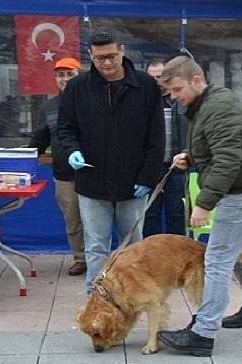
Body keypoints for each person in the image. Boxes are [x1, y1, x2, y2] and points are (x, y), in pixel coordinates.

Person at [157, 56, 242, 357]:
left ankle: (202, 333)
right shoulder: (206, 105)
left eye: (176, 89)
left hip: (241, 195)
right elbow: (220, 149)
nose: (173, 97)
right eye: (169, 92)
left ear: (197, 80)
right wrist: (191, 158)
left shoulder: (218, 107)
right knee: (237, 256)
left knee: (217, 261)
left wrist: (204, 204)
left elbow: (228, 160)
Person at [56, 29, 164, 294]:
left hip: (133, 182)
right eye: (99, 58)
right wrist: (72, 150)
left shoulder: (145, 86)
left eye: (111, 56)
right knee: (96, 247)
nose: (106, 63)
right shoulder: (77, 87)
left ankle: (132, 296)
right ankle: (97, 300)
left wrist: (148, 177)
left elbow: (157, 135)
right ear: (91, 56)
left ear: (122, 51)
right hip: (92, 182)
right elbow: (65, 128)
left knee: (133, 247)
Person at [28, 57, 86, 276]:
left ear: (79, 75)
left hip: (94, 173)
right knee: (72, 219)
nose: (64, 79)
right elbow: (39, 139)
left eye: (69, 74)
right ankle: (80, 259)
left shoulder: (93, 102)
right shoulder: (49, 107)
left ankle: (99, 259)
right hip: (64, 176)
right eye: (60, 75)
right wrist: (23, 159)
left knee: (96, 220)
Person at [143, 58, 188, 237]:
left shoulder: (181, 101)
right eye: (152, 77)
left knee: (176, 214)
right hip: (150, 168)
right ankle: (151, 257)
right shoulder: (142, 102)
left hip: (175, 167)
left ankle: (177, 257)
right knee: (149, 215)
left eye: (160, 77)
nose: (156, 81)